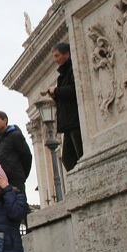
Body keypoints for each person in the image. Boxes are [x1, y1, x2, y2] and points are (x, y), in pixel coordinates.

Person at [42, 42, 83, 171]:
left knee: (81, 154)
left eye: (57, 56)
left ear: (67, 54)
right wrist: (55, 95)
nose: (55, 60)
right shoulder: (62, 75)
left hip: (75, 120)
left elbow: (76, 90)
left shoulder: (74, 69)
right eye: (54, 57)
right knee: (67, 158)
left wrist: (57, 91)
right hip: (67, 123)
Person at [0, 111, 32, 194]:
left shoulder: (16, 136)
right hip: (0, 180)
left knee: (18, 203)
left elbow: (27, 156)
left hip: (15, 179)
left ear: (5, 120)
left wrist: (21, 175)